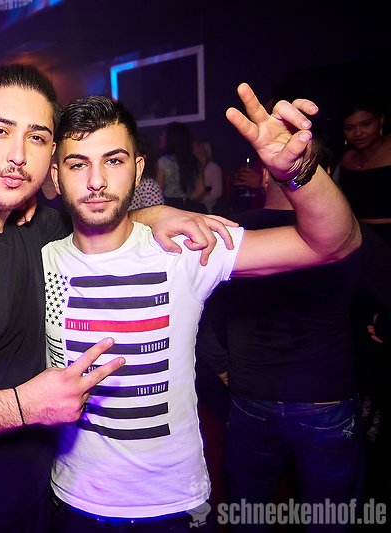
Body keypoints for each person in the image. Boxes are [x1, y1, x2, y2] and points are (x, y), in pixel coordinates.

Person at [0, 63, 237, 532]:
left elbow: (103, 215)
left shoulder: (43, 228)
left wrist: (155, 213)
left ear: (51, 156)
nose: (17, 155)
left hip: (40, 502)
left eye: (35, 137)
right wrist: (22, 406)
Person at [42, 91, 360, 532]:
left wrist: (296, 172)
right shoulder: (40, 258)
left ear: (138, 169)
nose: (96, 180)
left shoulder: (186, 247)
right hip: (71, 500)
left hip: (172, 505)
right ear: (55, 175)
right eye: (78, 164)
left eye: (113, 161)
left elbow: (333, 243)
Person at [196, 162, 391, 533]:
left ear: (264, 177)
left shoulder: (230, 233)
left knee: (248, 511)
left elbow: (198, 313)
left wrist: (220, 366)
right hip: (326, 399)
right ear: (325, 175)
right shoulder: (351, 234)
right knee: (331, 516)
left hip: (250, 392)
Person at [337, 95, 391, 243]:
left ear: (381, 120)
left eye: (366, 124)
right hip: (357, 237)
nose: (358, 133)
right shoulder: (347, 158)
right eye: (349, 128)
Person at [156, 121, 206, 213]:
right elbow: (201, 189)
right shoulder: (193, 161)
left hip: (170, 208)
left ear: (171, 139)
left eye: (163, 135)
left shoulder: (163, 162)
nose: (160, 137)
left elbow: (158, 191)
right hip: (190, 208)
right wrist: (185, 200)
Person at [192, 139, 223, 214]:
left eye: (195, 147)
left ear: (203, 148)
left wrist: (200, 199)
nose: (191, 149)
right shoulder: (193, 168)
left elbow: (217, 191)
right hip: (193, 206)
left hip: (208, 206)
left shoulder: (213, 167)